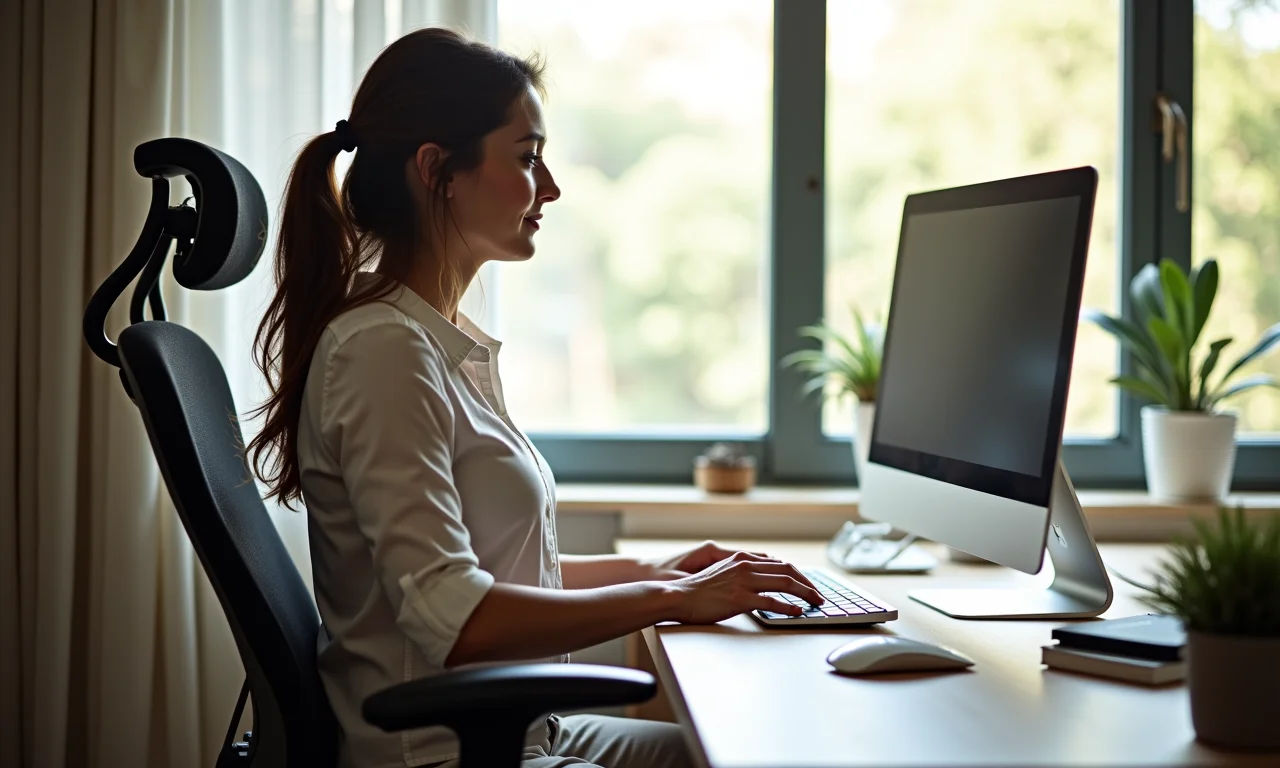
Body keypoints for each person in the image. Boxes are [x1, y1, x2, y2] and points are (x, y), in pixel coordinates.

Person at [248, 27, 823, 768]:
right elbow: (454, 617)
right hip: (441, 754)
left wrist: (665, 572)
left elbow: (505, 576)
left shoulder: (435, 341)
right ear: (438, 171)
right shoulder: (384, 351)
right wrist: (675, 601)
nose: (549, 187)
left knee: (729, 749)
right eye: (526, 159)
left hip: (517, 732)